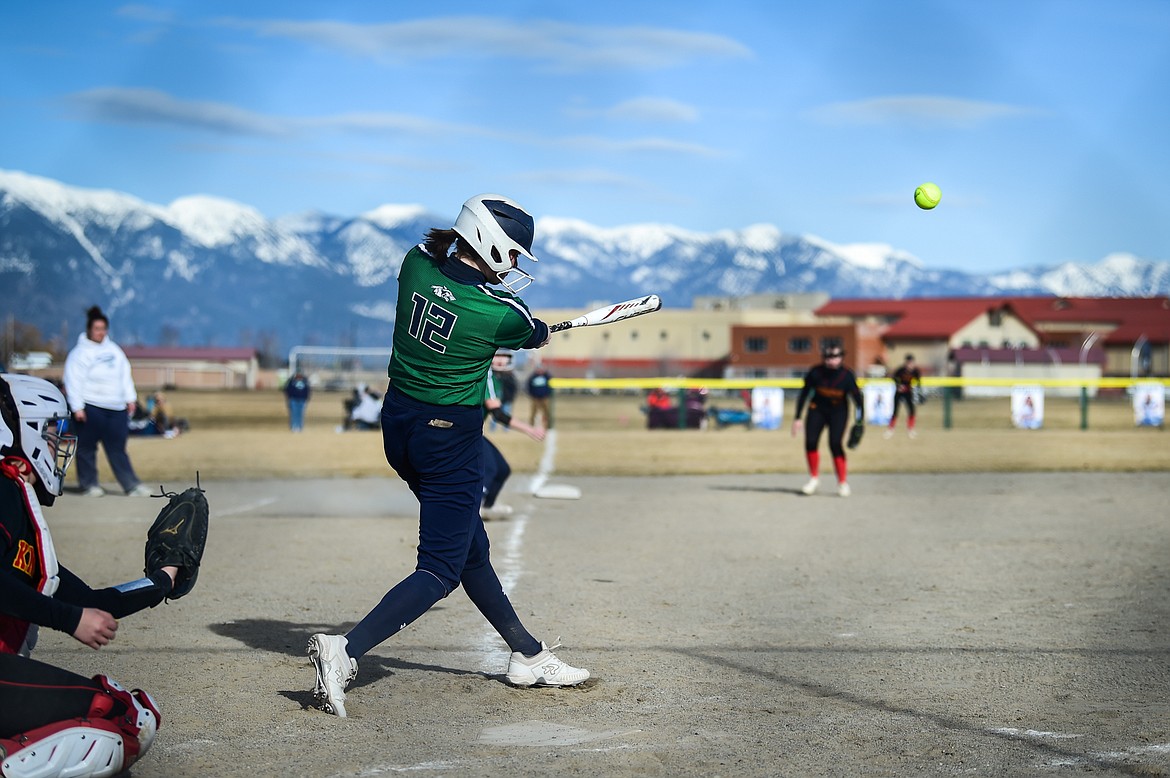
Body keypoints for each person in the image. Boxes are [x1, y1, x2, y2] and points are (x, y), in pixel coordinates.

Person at [307, 194, 589, 717]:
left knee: (467, 545)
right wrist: (545, 331)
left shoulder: (414, 263)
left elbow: (458, 291)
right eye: (511, 253)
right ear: (489, 243)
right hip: (450, 440)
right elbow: (530, 330)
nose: (513, 265)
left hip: (400, 426)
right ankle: (345, 650)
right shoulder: (498, 312)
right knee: (440, 568)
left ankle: (527, 653)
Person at [0, 373, 183, 777]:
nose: (57, 444)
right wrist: (69, 620)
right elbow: (75, 613)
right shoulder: (3, 490)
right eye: (50, 431)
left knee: (129, 716)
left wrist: (162, 581)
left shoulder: (16, 501)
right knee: (122, 718)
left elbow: (92, 602)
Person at [62, 306, 151, 497]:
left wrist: (130, 398)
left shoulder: (114, 351)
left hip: (116, 408)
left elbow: (125, 375)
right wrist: (77, 407)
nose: (100, 333)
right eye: (97, 328)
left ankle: (131, 484)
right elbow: (73, 380)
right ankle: (89, 484)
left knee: (117, 448)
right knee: (87, 448)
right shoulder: (80, 353)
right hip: (91, 406)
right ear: (89, 330)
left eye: (103, 328)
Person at [791, 344, 864, 497]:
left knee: (835, 444)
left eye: (836, 356)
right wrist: (797, 418)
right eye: (829, 357)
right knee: (810, 442)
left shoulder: (847, 375)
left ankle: (842, 482)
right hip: (817, 409)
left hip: (839, 411)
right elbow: (804, 394)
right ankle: (814, 479)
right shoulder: (815, 372)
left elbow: (858, 399)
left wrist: (859, 421)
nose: (832, 360)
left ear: (842, 357)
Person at [481, 353, 546, 520]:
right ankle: (474, 507)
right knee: (490, 470)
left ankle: (488, 507)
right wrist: (529, 430)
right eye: (497, 356)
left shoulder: (498, 380)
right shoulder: (486, 374)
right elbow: (498, 414)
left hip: (473, 433)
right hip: (463, 433)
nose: (500, 361)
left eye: (504, 357)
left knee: (502, 470)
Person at [885, 354, 923, 439]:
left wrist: (917, 388)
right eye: (909, 363)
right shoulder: (901, 370)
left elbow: (918, 381)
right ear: (906, 363)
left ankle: (911, 430)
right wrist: (899, 385)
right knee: (895, 411)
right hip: (899, 392)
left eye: (911, 363)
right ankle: (890, 430)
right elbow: (894, 377)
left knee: (912, 411)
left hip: (908, 393)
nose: (910, 364)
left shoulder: (915, 371)